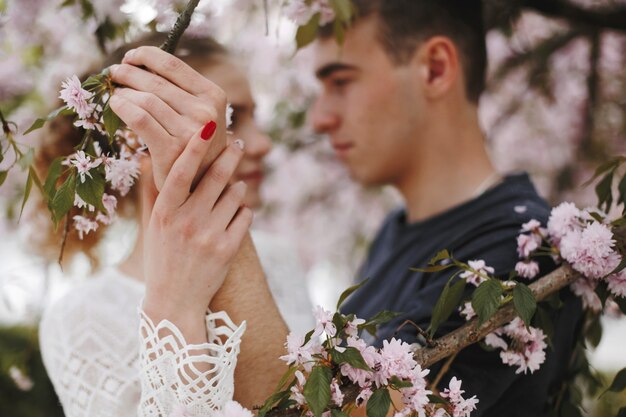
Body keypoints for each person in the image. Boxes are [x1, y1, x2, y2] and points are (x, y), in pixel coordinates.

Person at [107, 0, 582, 415]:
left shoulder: (521, 249)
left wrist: (211, 193)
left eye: (341, 81)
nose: (320, 116)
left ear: (435, 69)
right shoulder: (398, 232)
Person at [37, 33, 312, 417]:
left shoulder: (278, 260)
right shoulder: (82, 320)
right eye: (232, 119)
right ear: (143, 139)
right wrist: (175, 309)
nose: (263, 143)